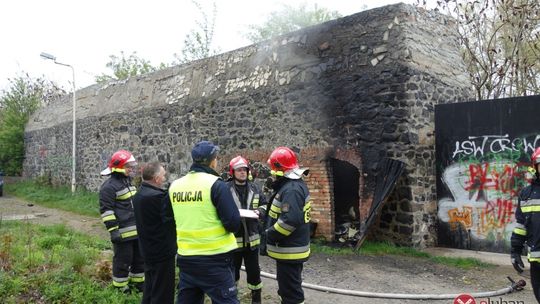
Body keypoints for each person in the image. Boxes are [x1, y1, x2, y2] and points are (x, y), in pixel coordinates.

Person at [166, 140, 241, 304]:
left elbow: (167, 220)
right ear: (213, 160)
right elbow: (233, 224)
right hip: (216, 260)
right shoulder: (216, 185)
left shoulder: (175, 186)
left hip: (187, 259)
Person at [262, 147, 311, 304]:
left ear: (279, 168)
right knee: (288, 290)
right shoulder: (292, 185)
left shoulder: (291, 189)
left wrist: (269, 235)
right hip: (290, 250)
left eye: (273, 168)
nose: (271, 172)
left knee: (291, 295)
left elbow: (289, 221)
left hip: (290, 251)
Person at [99, 149, 144, 293]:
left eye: (131, 166)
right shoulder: (108, 187)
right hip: (122, 234)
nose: (131, 169)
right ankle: (120, 288)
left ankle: (138, 284)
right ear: (118, 167)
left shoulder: (128, 183)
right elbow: (107, 212)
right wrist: (113, 231)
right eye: (127, 166)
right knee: (123, 261)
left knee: (139, 259)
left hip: (136, 231)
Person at [133, 162, 177, 304]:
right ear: (157, 178)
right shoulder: (158, 197)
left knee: (150, 288)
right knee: (163, 292)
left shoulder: (139, 194)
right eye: (163, 175)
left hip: (147, 250)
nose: (164, 179)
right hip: (162, 252)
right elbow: (170, 220)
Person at [227, 156, 267, 304]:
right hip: (233, 242)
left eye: (244, 170)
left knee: (254, 274)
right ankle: (232, 299)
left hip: (252, 240)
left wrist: (260, 212)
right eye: (239, 170)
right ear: (233, 172)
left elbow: (265, 204)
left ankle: (256, 300)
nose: (242, 172)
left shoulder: (255, 187)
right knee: (233, 274)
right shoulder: (226, 189)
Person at [511, 147, 540, 302]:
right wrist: (515, 251)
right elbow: (521, 225)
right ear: (535, 166)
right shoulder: (526, 194)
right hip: (537, 261)